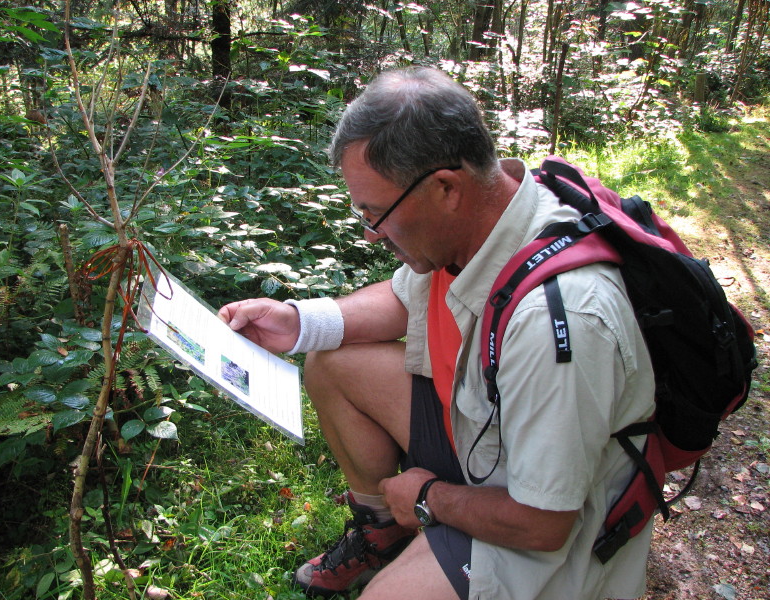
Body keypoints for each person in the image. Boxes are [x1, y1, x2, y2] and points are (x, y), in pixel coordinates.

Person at [218, 66, 656, 600]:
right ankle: (383, 529)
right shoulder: (489, 213)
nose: (371, 232)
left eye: (376, 213)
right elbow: (405, 297)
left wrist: (429, 497)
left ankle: (421, 522)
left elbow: (545, 524)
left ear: (446, 187)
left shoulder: (560, 321)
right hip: (482, 431)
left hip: (551, 520)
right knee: (331, 360)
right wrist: (299, 322)